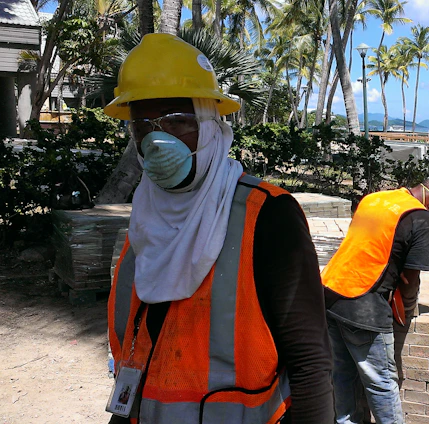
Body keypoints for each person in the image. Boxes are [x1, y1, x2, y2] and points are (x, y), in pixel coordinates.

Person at [104, 33, 334, 423]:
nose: (157, 140)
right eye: (143, 126)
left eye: (177, 122)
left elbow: (309, 358)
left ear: (211, 126)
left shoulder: (268, 215)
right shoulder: (147, 215)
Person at [321, 173, 429, 424]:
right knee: (382, 383)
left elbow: (368, 250)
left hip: (330, 292)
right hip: (362, 305)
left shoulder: (376, 198)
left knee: (343, 374)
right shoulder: (420, 216)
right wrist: (407, 310)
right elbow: (410, 279)